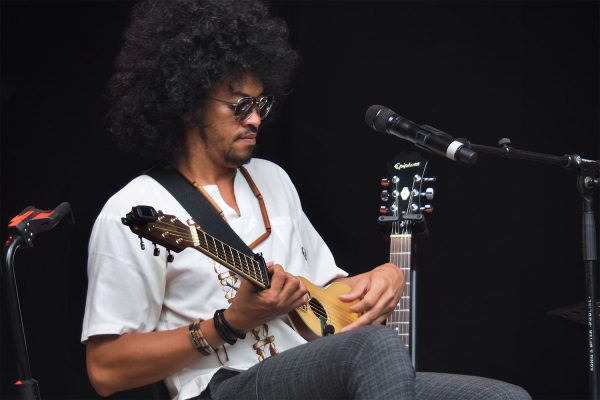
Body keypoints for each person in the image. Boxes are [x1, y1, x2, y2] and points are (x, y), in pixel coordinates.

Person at [82, 1, 531, 399]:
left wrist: (385, 276)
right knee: (372, 348)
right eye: (240, 106)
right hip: (223, 386)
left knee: (502, 397)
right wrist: (229, 322)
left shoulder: (273, 180)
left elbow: (328, 298)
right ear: (186, 103)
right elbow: (105, 370)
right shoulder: (135, 209)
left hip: (313, 376)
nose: (256, 119)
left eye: (262, 105)